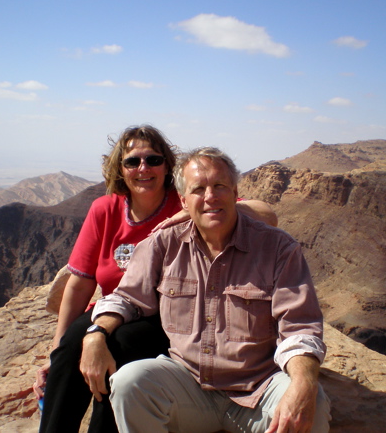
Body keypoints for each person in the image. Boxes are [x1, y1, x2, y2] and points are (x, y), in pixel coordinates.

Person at [33, 126, 277, 433]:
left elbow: (265, 214)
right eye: (132, 162)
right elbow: (80, 282)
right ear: (119, 169)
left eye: (153, 159)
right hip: (117, 309)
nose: (143, 168)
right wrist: (55, 354)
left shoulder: (188, 199)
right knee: (74, 343)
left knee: (119, 348)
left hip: (172, 315)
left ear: (167, 166)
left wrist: (191, 212)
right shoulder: (105, 210)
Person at [87, 147, 331, 433]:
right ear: (183, 200)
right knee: (130, 383)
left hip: (260, 387)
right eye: (198, 189)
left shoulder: (278, 248)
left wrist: (302, 386)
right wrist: (96, 336)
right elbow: (127, 298)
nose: (210, 197)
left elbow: (300, 327)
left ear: (235, 191)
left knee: (313, 409)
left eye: (219, 186)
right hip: (187, 384)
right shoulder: (164, 244)